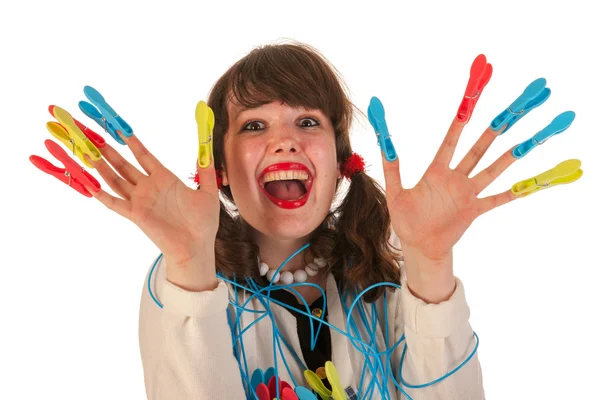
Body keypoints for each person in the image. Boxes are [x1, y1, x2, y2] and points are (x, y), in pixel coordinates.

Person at [56, 41, 577, 399]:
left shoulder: (386, 271)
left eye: (308, 121)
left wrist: (431, 264)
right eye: (254, 124)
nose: (285, 139)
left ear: (340, 160)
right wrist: (190, 260)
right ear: (221, 171)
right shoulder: (185, 281)